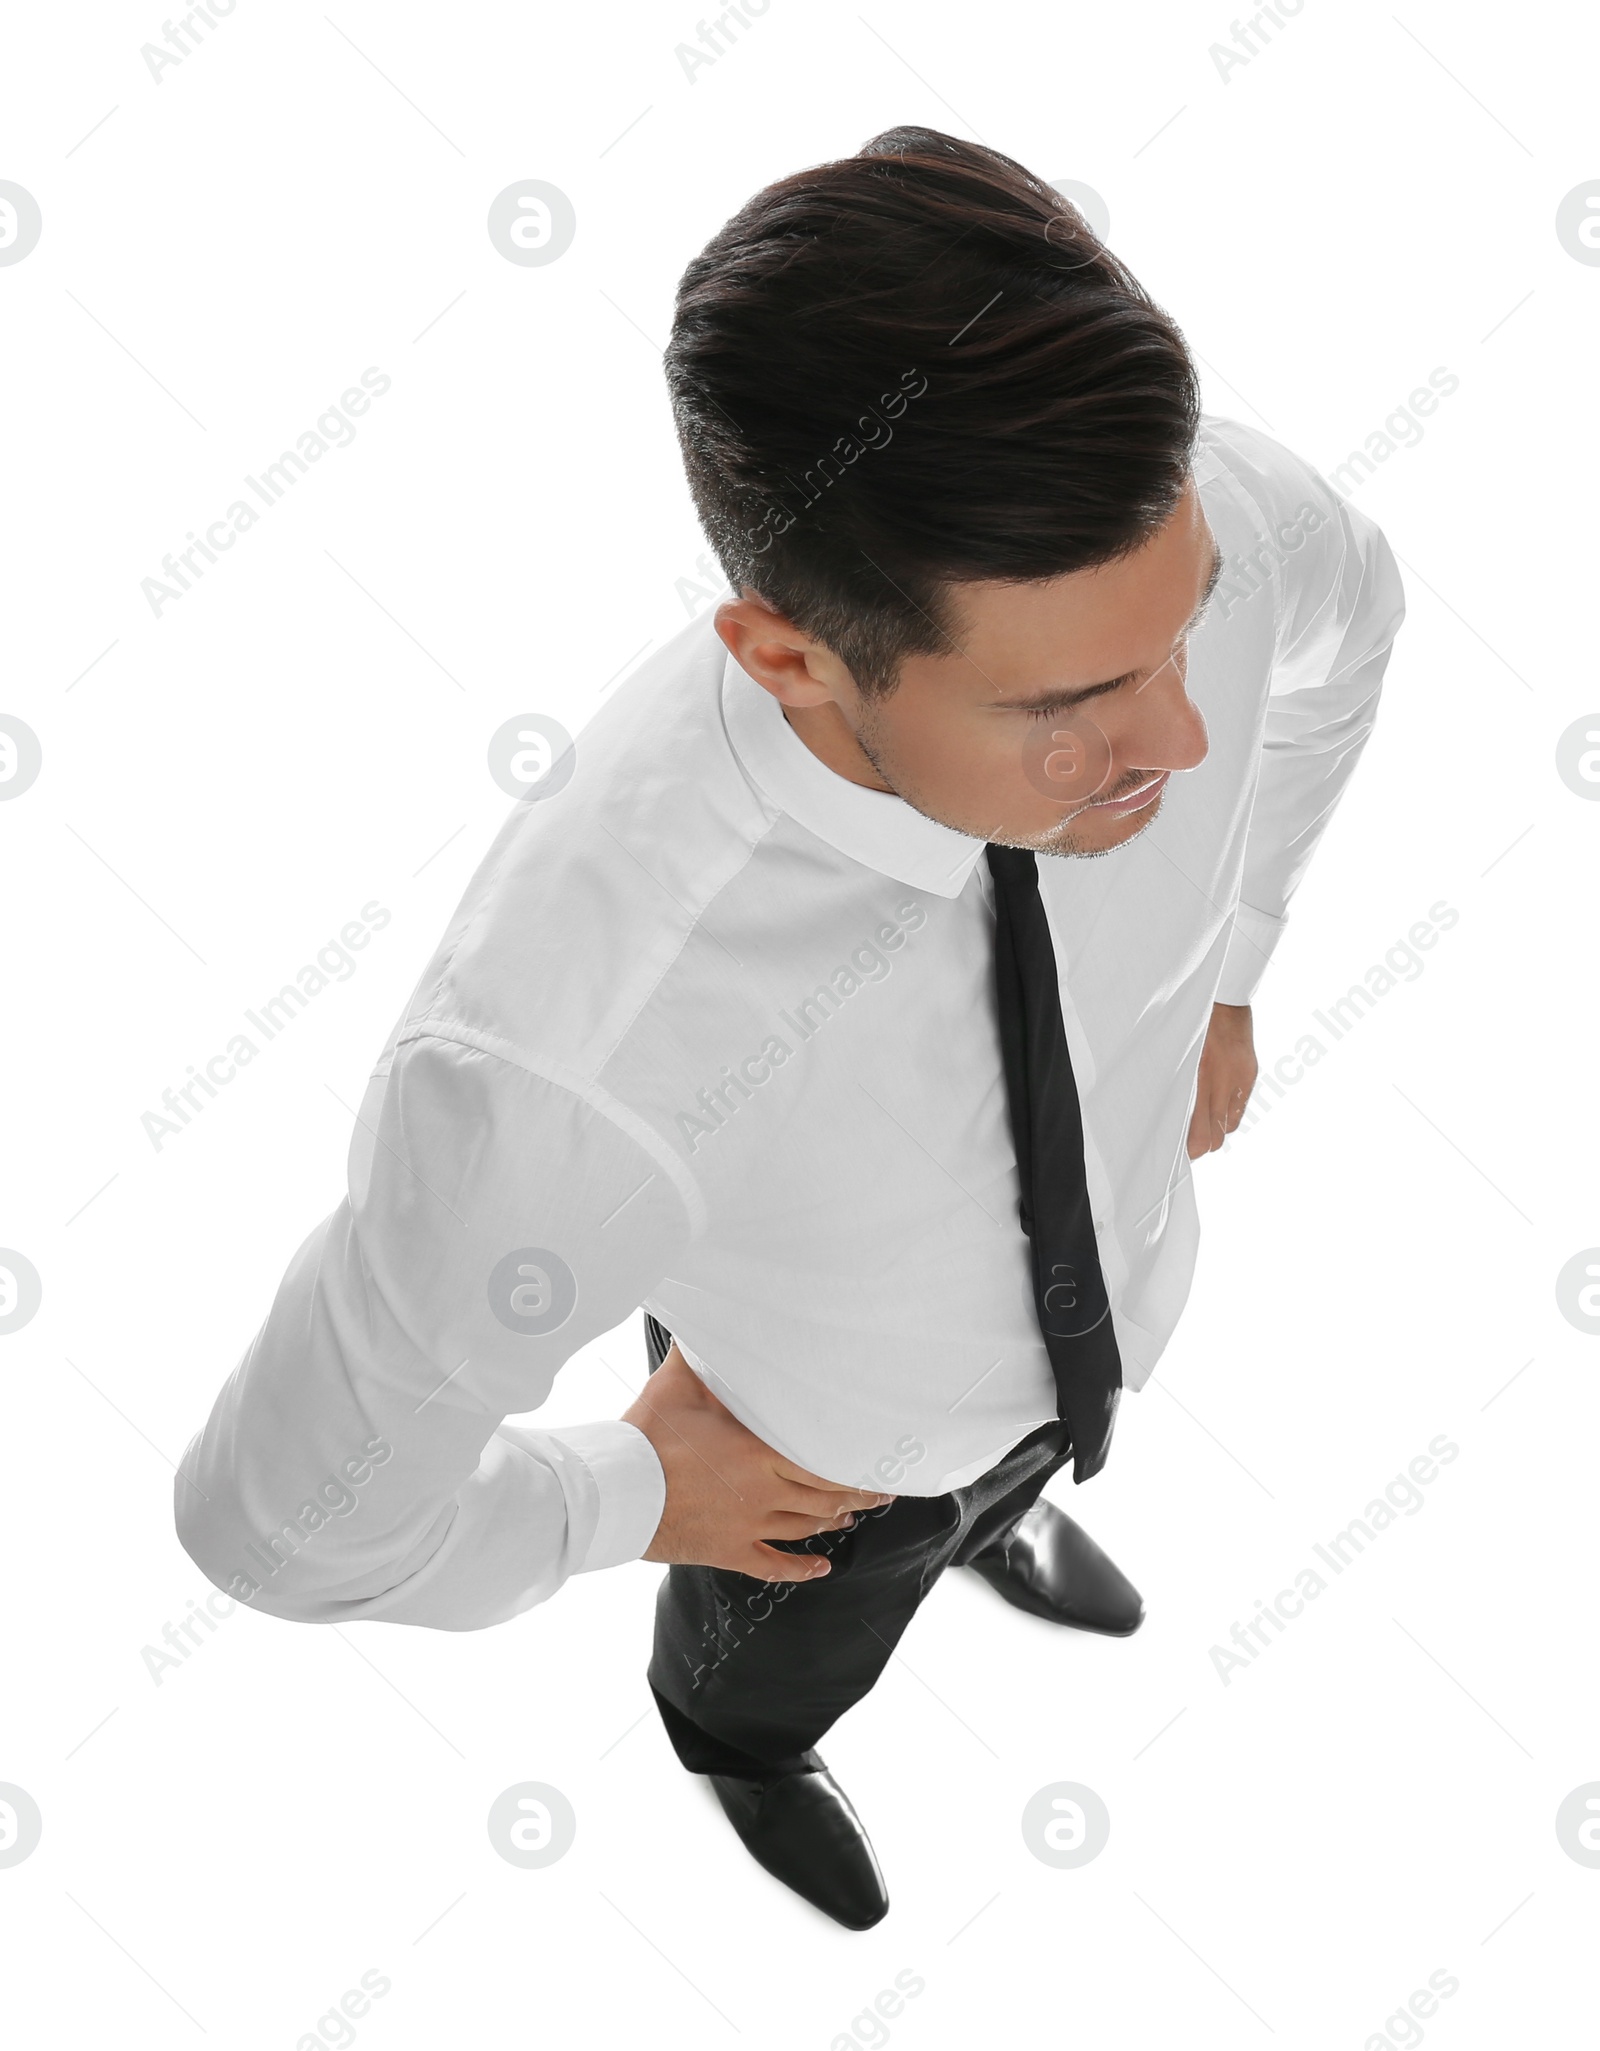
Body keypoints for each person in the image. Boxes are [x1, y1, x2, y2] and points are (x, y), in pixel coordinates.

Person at [175, 127, 1404, 1930]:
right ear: (795, 661)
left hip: (1110, 1317)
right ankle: (737, 1743)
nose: (1181, 741)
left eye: (1183, 628)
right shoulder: (566, 1068)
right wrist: (623, 1494)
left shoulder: (1217, 518)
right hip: (818, 1469)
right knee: (792, 1646)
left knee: (1010, 1466)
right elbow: (284, 1528)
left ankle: (1005, 1510)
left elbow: (1346, 637)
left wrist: (1232, 968)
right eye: (1067, 705)